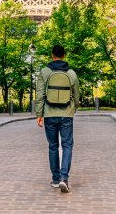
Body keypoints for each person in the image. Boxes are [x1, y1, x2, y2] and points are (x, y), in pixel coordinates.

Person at [35, 44, 80, 193]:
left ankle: (55, 179)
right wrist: (73, 109)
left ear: (52, 55)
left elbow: (40, 95)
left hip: (49, 114)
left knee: (53, 146)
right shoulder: (72, 73)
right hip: (66, 114)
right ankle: (64, 178)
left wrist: (39, 114)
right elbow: (77, 96)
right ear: (64, 55)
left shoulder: (45, 72)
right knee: (67, 145)